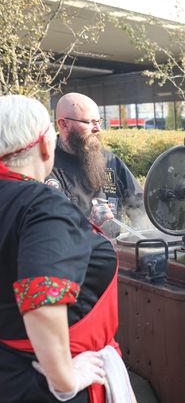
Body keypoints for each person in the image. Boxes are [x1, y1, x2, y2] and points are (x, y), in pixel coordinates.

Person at [0, 95, 134, 402]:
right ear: (45, 146)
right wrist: (64, 378)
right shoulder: (44, 205)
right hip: (42, 384)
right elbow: (41, 298)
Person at [45, 93, 143, 235]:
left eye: (99, 121)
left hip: (114, 253)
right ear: (64, 124)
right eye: (89, 122)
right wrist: (90, 224)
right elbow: (47, 231)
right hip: (72, 256)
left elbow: (140, 207)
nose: (98, 129)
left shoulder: (110, 161)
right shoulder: (45, 165)